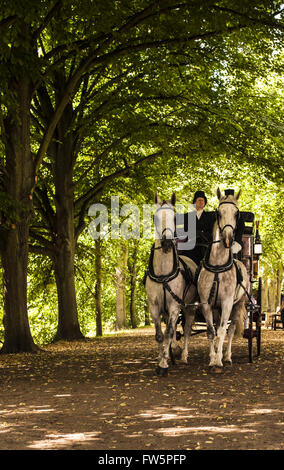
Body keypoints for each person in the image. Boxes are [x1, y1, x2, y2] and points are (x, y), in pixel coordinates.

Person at [177, 190, 214, 265]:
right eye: (199, 200)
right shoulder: (187, 216)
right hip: (190, 247)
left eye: (203, 200)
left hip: (205, 246)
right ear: (194, 202)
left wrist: (202, 234)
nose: (201, 202)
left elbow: (212, 232)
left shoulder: (210, 217)